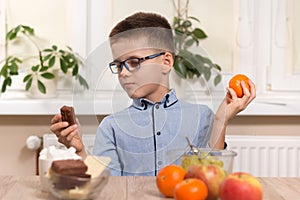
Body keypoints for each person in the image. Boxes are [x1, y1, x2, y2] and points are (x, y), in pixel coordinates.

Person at [50, 12, 256, 176]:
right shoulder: (111, 127)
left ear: (166, 62)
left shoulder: (202, 117)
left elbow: (213, 177)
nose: (123, 73)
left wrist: (221, 119)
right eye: (118, 65)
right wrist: (79, 151)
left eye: (133, 62)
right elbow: (105, 185)